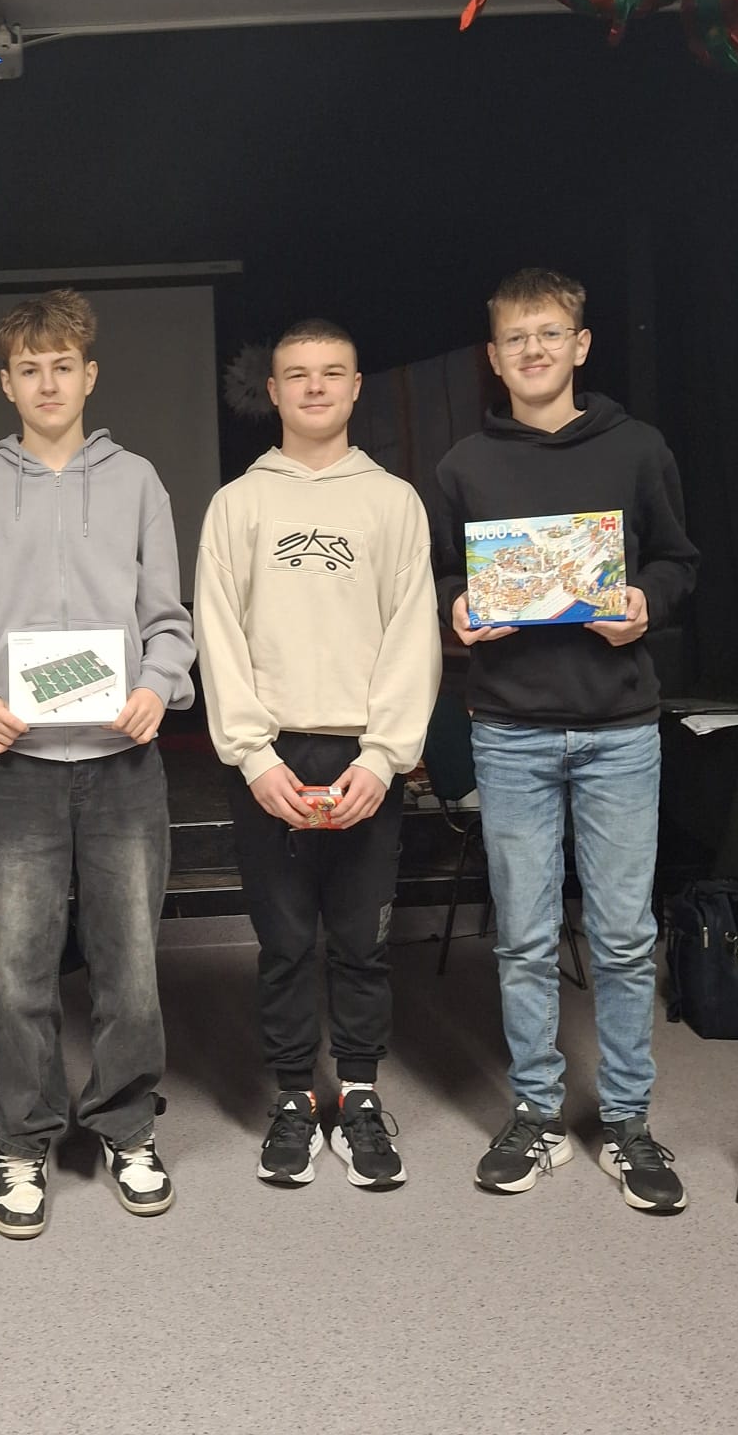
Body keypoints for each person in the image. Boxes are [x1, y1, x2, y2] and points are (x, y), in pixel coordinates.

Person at [0, 288, 195, 1239]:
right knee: (20, 976)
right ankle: (25, 1138)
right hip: (16, 771)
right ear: (7, 385)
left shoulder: (139, 482)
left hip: (123, 764)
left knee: (130, 970)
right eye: (29, 370)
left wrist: (158, 685)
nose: (47, 383)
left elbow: (170, 622)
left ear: (90, 376)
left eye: (63, 366)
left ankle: (127, 1126)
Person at [432, 267, 699, 1213]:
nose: (534, 350)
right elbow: (442, 581)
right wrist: (459, 609)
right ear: (494, 356)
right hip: (509, 730)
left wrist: (645, 604)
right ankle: (538, 1114)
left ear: (581, 345)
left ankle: (628, 1121)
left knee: (623, 937)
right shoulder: (464, 466)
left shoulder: (637, 448)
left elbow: (678, 561)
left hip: (620, 729)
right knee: (525, 937)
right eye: (516, 338)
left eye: (550, 334)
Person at [195, 318, 440, 1190]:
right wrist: (255, 758)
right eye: (297, 374)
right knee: (286, 942)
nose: (314, 387)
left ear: (356, 386)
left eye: (332, 372)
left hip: (365, 754)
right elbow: (217, 635)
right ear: (273, 391)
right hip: (271, 755)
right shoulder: (238, 505)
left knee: (362, 942)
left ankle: (361, 1095)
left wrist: (384, 758)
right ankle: (295, 1097)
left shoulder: (393, 502)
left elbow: (413, 636)